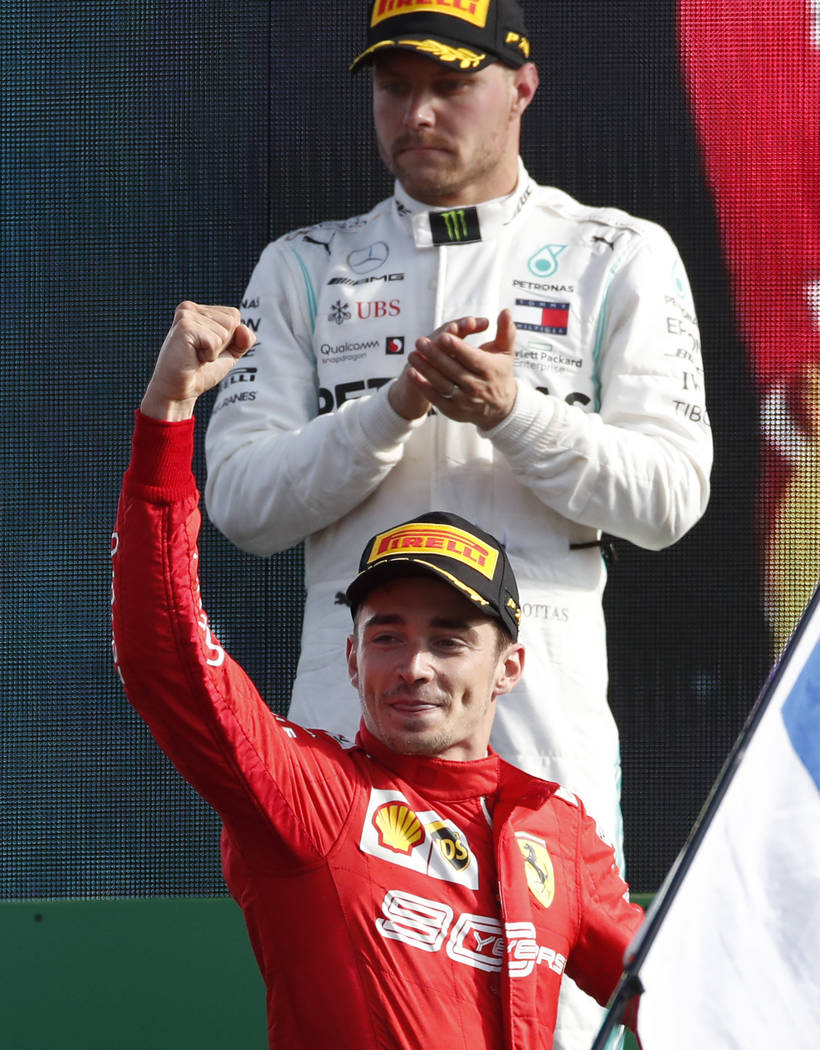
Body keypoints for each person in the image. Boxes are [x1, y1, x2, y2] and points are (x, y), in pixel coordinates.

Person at [203, 2, 711, 1045]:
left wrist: (511, 414)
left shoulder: (618, 253)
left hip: (542, 718)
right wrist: (389, 412)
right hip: (352, 726)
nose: (418, 113)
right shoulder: (303, 266)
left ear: (521, 86)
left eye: (450, 85)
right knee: (352, 1007)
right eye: (394, 88)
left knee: (560, 1017)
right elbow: (243, 504)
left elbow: (669, 496)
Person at [111, 301, 644, 1050]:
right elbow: (164, 654)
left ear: (508, 668)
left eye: (450, 640)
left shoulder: (557, 833)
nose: (414, 666)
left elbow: (677, 994)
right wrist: (167, 416)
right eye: (387, 636)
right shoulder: (311, 796)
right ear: (353, 658)